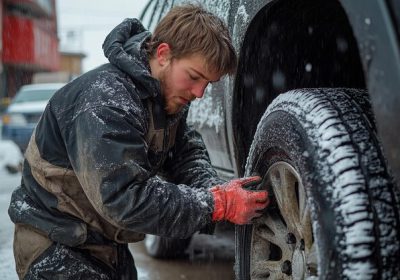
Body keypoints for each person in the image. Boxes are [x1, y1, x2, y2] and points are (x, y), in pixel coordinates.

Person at [8, 4, 269, 279]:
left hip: (103, 243)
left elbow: (184, 154)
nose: (199, 93)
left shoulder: (162, 97)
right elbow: (125, 198)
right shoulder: (107, 101)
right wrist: (217, 204)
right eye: (194, 77)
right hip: (54, 244)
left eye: (208, 83)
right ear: (164, 54)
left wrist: (212, 188)